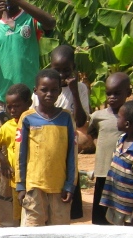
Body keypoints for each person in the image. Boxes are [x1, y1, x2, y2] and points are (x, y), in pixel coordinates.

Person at [0, 0, 56, 133]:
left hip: (30, 100)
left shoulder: (30, 19)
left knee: (32, 146)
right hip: (3, 102)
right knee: (5, 147)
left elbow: (50, 23)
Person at [32, 45, 88, 220]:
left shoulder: (80, 89)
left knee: (70, 173)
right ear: (50, 67)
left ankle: (70, 210)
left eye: (67, 70)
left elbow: (80, 121)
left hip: (68, 143)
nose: (62, 75)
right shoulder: (42, 91)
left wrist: (74, 92)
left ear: (74, 68)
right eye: (58, 70)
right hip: (46, 144)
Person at [17, 69, 76, 227]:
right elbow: (20, 154)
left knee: (59, 236)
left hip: (60, 188)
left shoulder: (66, 118)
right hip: (34, 187)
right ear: (35, 91)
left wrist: (70, 184)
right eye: (44, 89)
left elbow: (72, 154)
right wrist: (20, 185)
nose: (49, 94)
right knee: (31, 234)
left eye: (54, 90)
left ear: (59, 91)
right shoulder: (27, 118)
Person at [87, 73, 131, 225]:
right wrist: (97, 143)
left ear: (128, 93)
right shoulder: (98, 116)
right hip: (103, 170)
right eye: (109, 93)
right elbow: (91, 131)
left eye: (117, 93)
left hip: (125, 173)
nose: (112, 97)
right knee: (100, 215)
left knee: (122, 211)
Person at [0, 84, 32, 227]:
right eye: (9, 107)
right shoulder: (7, 127)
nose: (12, 110)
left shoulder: (36, 123)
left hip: (35, 177)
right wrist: (4, 162)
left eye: (17, 106)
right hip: (17, 179)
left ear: (28, 104)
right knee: (19, 214)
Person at [100, 101, 133, 226]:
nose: (117, 120)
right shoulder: (121, 139)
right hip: (117, 201)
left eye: (119, 117)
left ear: (127, 124)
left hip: (130, 208)